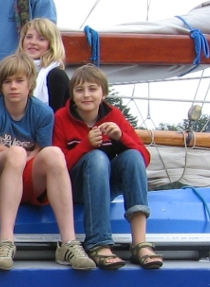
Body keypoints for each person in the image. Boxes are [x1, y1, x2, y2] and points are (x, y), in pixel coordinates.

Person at [0, 54, 94, 271]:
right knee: (16, 154)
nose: (13, 87)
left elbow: (41, 150)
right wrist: (16, 153)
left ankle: (69, 242)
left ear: (30, 83)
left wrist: (7, 150)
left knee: (54, 154)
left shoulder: (43, 112)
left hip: (28, 178)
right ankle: (5, 242)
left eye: (19, 81)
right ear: (0, 86)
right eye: (7, 81)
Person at [54, 65, 163, 270]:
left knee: (132, 156)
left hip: (105, 185)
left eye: (92, 89)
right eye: (79, 90)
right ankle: (99, 243)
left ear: (103, 93)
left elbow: (144, 159)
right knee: (97, 157)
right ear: (72, 95)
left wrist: (121, 137)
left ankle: (140, 243)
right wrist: (86, 145)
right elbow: (58, 167)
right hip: (74, 187)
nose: (86, 95)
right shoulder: (61, 118)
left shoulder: (114, 115)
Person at [19, 18, 70, 112]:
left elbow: (55, 114)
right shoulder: (14, 72)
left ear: (51, 44)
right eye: (29, 37)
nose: (33, 42)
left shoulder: (56, 76)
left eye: (41, 39)